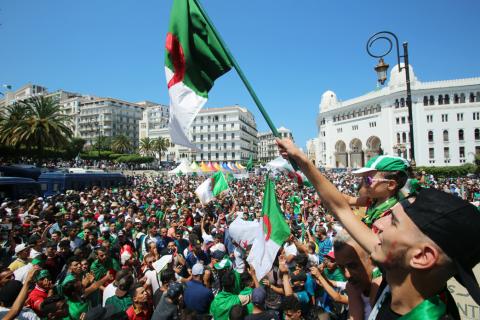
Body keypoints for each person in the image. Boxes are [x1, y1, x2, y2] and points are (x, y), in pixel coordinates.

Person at [277, 137, 480, 319]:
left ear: (422, 256)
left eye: (393, 221)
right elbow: (341, 208)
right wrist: (302, 160)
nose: (377, 224)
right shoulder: (395, 276)